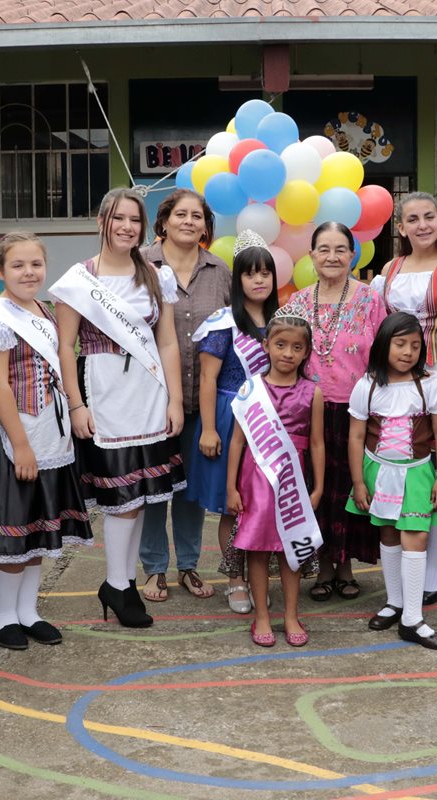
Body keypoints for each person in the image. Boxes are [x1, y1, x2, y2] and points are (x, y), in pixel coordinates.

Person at [51, 188, 185, 629]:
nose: (127, 227)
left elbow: (166, 340)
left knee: (142, 495)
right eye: (118, 218)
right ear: (102, 221)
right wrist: (76, 405)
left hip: (148, 392)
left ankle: (124, 583)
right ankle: (116, 584)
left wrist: (175, 398)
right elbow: (65, 348)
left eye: (134, 220)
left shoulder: (154, 275)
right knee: (120, 497)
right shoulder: (78, 279)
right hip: (104, 389)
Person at [0, 232, 93, 649]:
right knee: (15, 527)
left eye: (35, 264)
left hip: (50, 433)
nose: (28, 272)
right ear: (0, 270)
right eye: (18, 265)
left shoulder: (44, 309)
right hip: (14, 432)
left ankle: (28, 612)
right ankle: (2, 617)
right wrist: (20, 445)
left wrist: (75, 409)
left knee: (39, 524)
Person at [372, 192, 437, 607]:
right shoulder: (389, 269)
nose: (422, 225)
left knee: (436, 474)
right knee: (405, 471)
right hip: (397, 385)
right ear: (401, 227)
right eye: (412, 219)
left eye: (429, 217)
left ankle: (431, 570)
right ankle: (406, 573)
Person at [284, 222, 389, 602]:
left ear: (352, 255)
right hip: (307, 413)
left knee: (349, 489)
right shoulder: (294, 304)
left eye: (341, 249)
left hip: (356, 412)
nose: (332, 256)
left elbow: (381, 356)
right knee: (317, 489)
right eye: (323, 249)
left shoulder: (370, 299)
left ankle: (345, 566)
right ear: (311, 255)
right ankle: (323, 566)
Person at [139, 189, 229, 604]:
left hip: (203, 401)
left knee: (191, 489)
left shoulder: (220, 271)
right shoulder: (140, 266)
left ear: (206, 226)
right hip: (151, 398)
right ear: (163, 222)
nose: (189, 222)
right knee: (156, 488)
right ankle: (154, 569)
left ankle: (188, 565)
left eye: (197, 216)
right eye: (181, 214)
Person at [346, 312, 437, 651]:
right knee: (388, 532)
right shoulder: (368, 385)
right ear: (384, 345)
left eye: (415, 345)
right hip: (378, 470)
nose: (408, 352)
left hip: (419, 472)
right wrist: (359, 482)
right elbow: (356, 437)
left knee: (416, 537)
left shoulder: (431, 383)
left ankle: (413, 618)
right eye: (400, 344)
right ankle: (395, 602)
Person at [187, 230, 277, 614]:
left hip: (273, 423)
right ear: (238, 280)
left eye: (265, 273)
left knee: (267, 503)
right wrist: (208, 429)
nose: (258, 280)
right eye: (250, 274)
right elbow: (207, 379)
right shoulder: (223, 323)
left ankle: (261, 575)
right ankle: (235, 579)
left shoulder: (283, 320)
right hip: (228, 419)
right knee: (232, 506)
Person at [226, 312, 325, 647]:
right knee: (257, 550)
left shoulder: (313, 392)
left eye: (297, 347)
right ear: (266, 345)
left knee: (290, 550)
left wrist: (319, 487)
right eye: (281, 345)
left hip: (293, 482)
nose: (288, 353)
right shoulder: (250, 390)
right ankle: (262, 617)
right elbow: (237, 442)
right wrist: (231, 487)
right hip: (256, 480)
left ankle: (292, 615)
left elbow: (316, 443)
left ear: (306, 352)